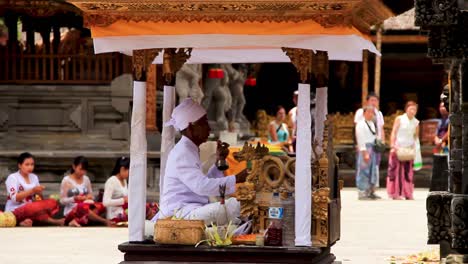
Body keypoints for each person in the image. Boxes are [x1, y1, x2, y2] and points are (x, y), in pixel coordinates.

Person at [156, 98, 248, 225]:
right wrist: (237, 178)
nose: (209, 128)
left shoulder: (190, 149)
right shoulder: (182, 152)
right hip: (179, 214)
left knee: (236, 206)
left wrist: (219, 161)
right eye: (204, 123)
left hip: (191, 209)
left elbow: (202, 181)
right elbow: (201, 186)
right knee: (236, 206)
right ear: (190, 128)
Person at [4, 152, 64, 226]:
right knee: (32, 208)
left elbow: (38, 199)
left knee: (52, 202)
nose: (30, 167)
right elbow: (14, 198)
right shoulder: (13, 177)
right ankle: (20, 221)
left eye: (32, 164)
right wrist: (32, 191)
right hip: (16, 209)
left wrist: (39, 194)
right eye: (27, 164)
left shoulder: (34, 177)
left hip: (32, 207)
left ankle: (26, 221)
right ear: (20, 165)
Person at [60, 156, 110, 227]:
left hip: (86, 206)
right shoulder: (66, 180)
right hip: (73, 209)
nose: (82, 172)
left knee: (102, 205)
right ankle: (103, 221)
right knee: (82, 207)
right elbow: (62, 200)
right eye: (80, 169)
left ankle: (78, 220)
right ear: (74, 167)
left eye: (84, 170)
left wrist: (88, 197)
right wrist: (74, 199)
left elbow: (91, 195)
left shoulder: (86, 179)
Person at [387, 101, 420, 200]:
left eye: (414, 109)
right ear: (406, 109)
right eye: (411, 109)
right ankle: (395, 193)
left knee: (407, 172)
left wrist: (416, 149)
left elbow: (416, 137)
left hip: (409, 148)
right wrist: (392, 145)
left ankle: (407, 193)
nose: (413, 111)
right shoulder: (400, 119)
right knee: (395, 171)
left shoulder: (416, 122)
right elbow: (394, 132)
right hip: (398, 147)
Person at [354, 92, 385, 187]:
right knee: (364, 166)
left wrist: (382, 141)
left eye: (375, 100)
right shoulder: (361, 112)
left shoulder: (379, 114)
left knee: (374, 167)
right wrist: (359, 145)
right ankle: (363, 188)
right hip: (364, 144)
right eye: (372, 100)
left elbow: (381, 128)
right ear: (367, 101)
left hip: (374, 144)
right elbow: (357, 129)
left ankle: (372, 188)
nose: (374, 102)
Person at [355, 106, 380, 200]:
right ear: (364, 113)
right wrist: (364, 152)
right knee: (363, 170)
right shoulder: (360, 124)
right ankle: (362, 191)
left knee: (372, 170)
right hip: (365, 148)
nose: (370, 114)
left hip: (372, 148)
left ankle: (370, 191)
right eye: (368, 112)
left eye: (372, 112)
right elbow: (361, 139)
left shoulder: (372, 123)